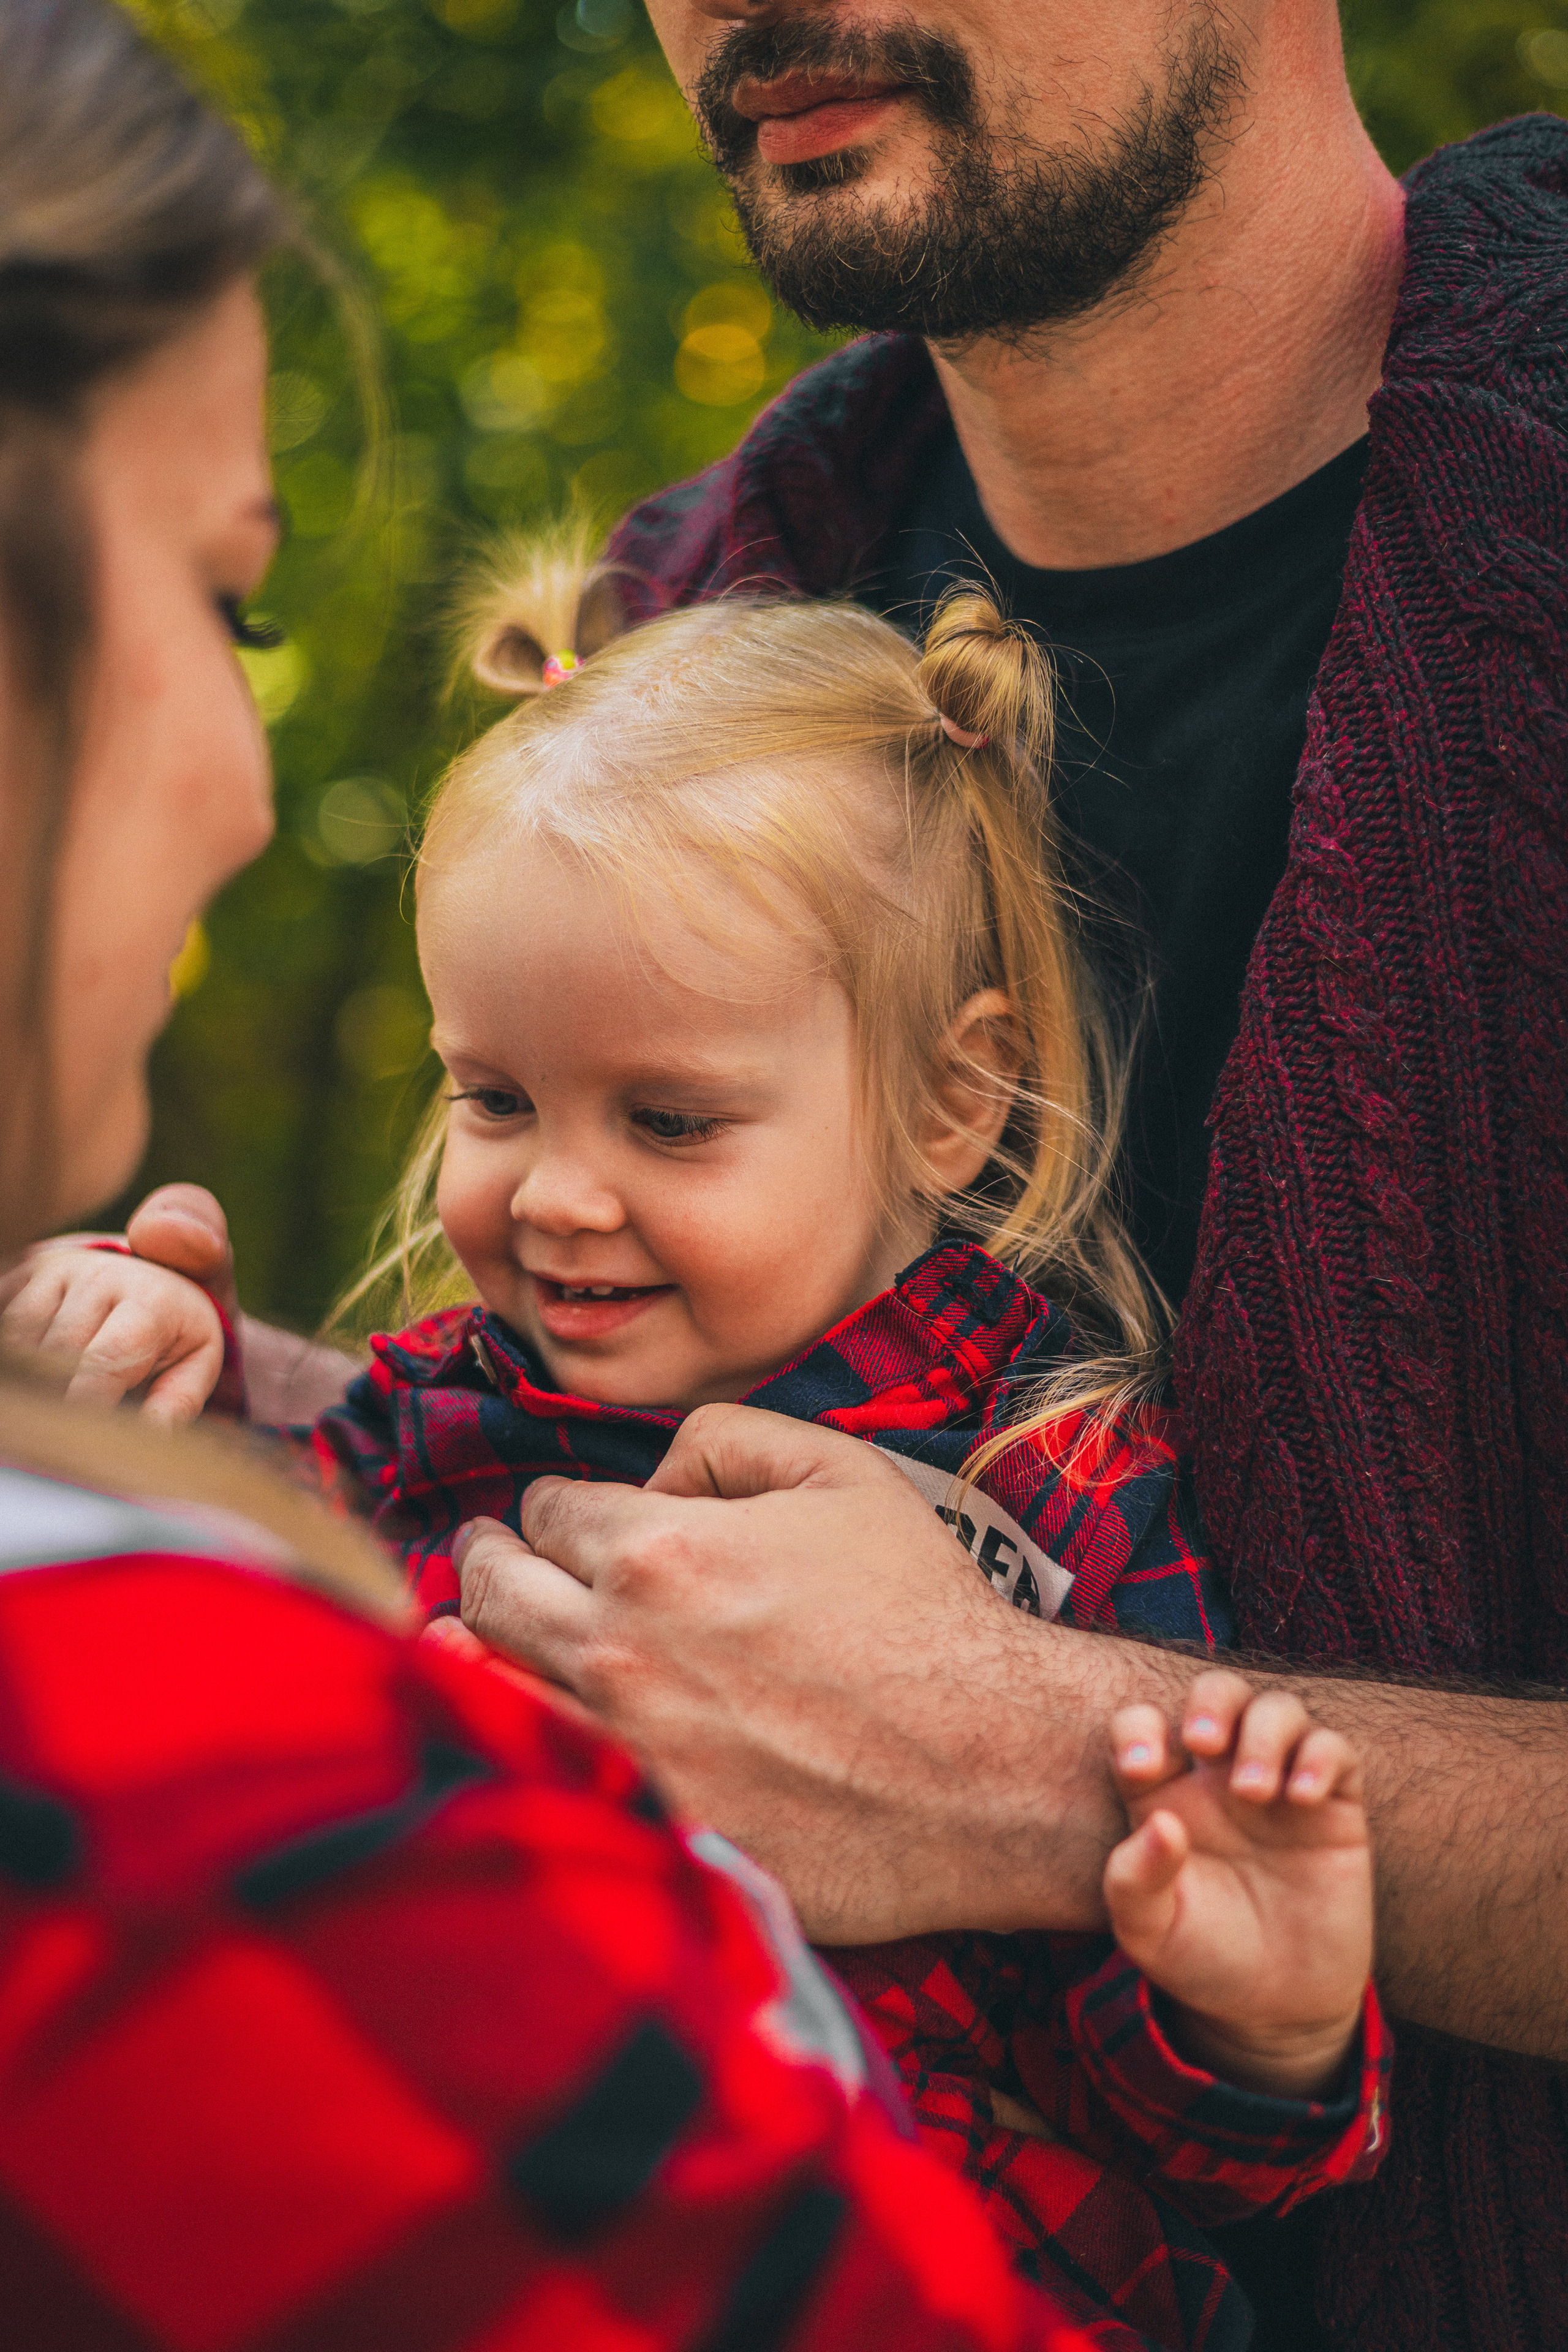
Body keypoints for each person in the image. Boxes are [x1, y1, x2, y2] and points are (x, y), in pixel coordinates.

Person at [75, 7, 1568, 2344]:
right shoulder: (673, 665)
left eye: (670, 1121)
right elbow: (458, 1468)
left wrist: (1030, 1750)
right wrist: (181, 1419)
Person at [14, 559, 1392, 2345]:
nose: (558, 1195)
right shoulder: (438, 1420)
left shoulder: (1046, 1495)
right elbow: (235, 1638)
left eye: (668, 1120)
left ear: (950, 1100)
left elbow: (1188, 2137)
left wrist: (1258, 2019)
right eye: (495, 1099)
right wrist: (143, 1350)